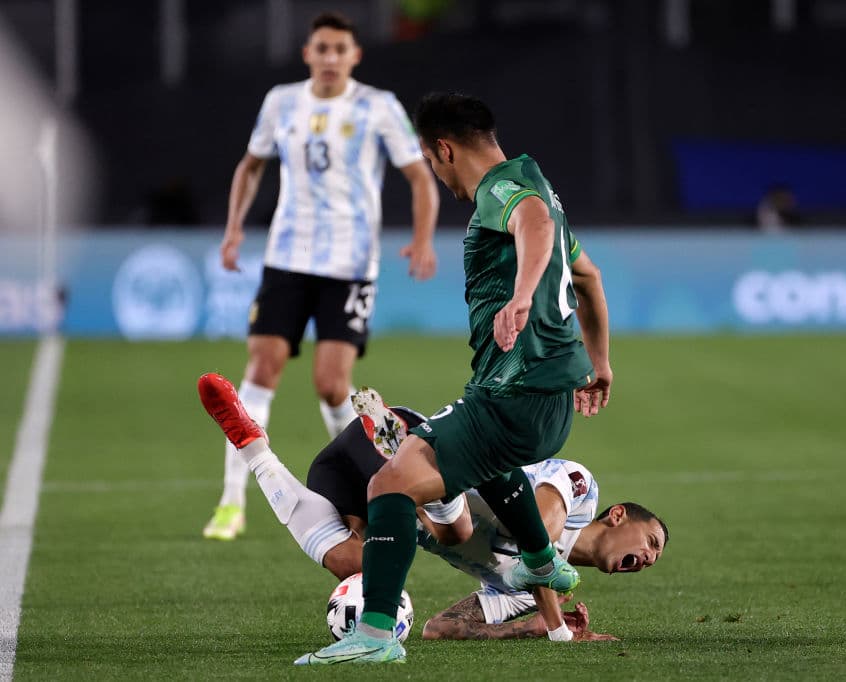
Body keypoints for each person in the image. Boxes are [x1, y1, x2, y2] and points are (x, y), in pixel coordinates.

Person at [295, 91, 614, 664]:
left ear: (444, 150)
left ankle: (374, 636)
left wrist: (521, 297)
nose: (437, 175)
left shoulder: (502, 189)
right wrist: (601, 362)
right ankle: (542, 560)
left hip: (515, 393)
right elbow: (587, 276)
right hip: (548, 403)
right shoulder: (540, 183)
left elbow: (534, 223)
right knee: (487, 465)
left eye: (430, 160)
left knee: (390, 485)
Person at [196, 374, 666, 643]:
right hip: (413, 449)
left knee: (356, 566)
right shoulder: (580, 489)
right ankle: (424, 487)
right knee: (457, 531)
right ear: (618, 515)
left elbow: (442, 628)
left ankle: (252, 448)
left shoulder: (528, 597)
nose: (647, 558)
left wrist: (530, 627)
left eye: (653, 558)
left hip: (358, 483)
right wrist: (559, 630)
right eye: (651, 542)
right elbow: (536, 534)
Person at [203, 11, 440, 542]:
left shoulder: (378, 106)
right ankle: (231, 501)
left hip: (350, 266)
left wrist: (423, 238)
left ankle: (364, 484)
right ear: (307, 54)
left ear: (355, 56)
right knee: (260, 369)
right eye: (322, 48)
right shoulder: (281, 102)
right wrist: (234, 228)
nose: (331, 57)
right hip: (287, 257)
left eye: (340, 49)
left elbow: (419, 176)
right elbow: (251, 166)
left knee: (332, 386)